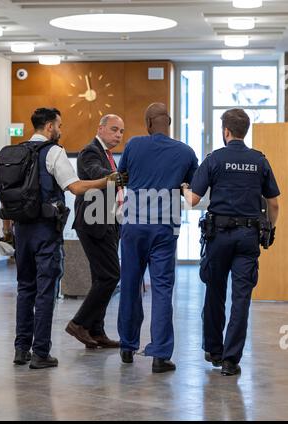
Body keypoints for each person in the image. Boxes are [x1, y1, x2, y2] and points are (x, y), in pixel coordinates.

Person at [13, 107, 124, 369]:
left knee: (25, 288)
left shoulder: (16, 152)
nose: (61, 130)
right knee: (46, 291)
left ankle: (21, 350)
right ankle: (40, 352)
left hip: (22, 229)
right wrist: (110, 180)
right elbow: (74, 187)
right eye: (59, 126)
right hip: (44, 230)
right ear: (50, 127)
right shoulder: (53, 152)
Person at [186, 108, 280, 376]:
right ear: (244, 131)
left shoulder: (214, 159)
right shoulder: (259, 161)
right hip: (248, 238)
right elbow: (273, 202)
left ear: (225, 131)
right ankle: (230, 360)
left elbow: (193, 199)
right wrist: (270, 230)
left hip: (219, 237)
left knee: (215, 292)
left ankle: (214, 350)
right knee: (241, 298)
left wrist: (184, 189)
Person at [117, 103, 198, 373]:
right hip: (165, 227)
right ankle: (160, 356)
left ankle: (127, 347)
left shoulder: (133, 144)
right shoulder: (186, 152)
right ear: (170, 122)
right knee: (162, 290)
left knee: (130, 284)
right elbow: (192, 185)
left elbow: (123, 177)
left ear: (149, 123)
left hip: (133, 225)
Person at [66, 114, 125, 349]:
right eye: (114, 130)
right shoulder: (90, 151)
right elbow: (96, 173)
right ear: (100, 129)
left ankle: (96, 330)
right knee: (111, 275)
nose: (118, 135)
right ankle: (78, 323)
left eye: (121, 131)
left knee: (100, 278)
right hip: (93, 223)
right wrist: (120, 176)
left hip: (107, 222)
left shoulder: (109, 155)